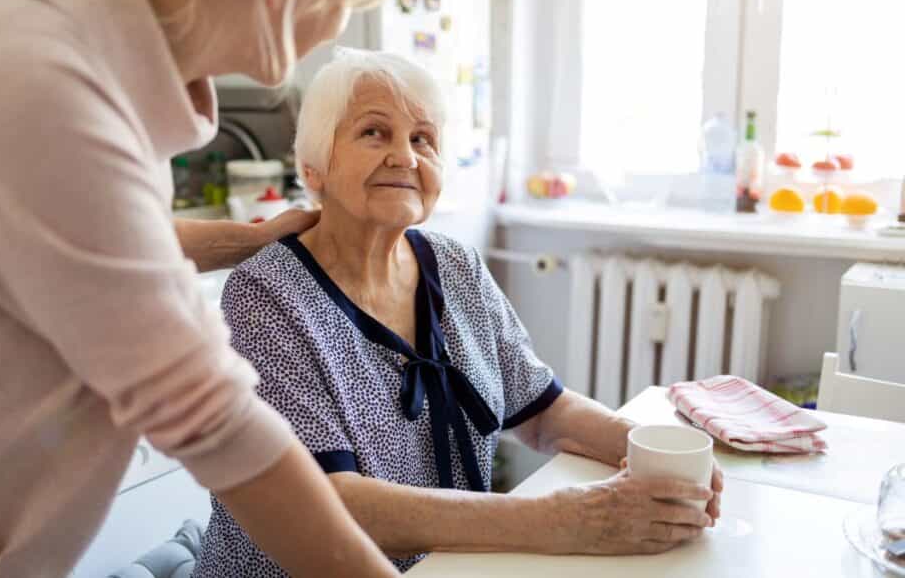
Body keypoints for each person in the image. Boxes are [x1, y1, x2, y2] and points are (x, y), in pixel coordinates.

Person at [0, 0, 405, 577]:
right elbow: (214, 420)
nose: (336, 26)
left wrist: (254, 237)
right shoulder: (49, 90)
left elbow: (115, 238)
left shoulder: (90, 57)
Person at [193, 49, 724, 577]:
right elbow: (328, 504)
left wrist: (647, 451)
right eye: (374, 133)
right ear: (314, 167)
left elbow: (542, 409)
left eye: (422, 139)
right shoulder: (266, 296)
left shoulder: (453, 264)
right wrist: (557, 519)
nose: (405, 157)